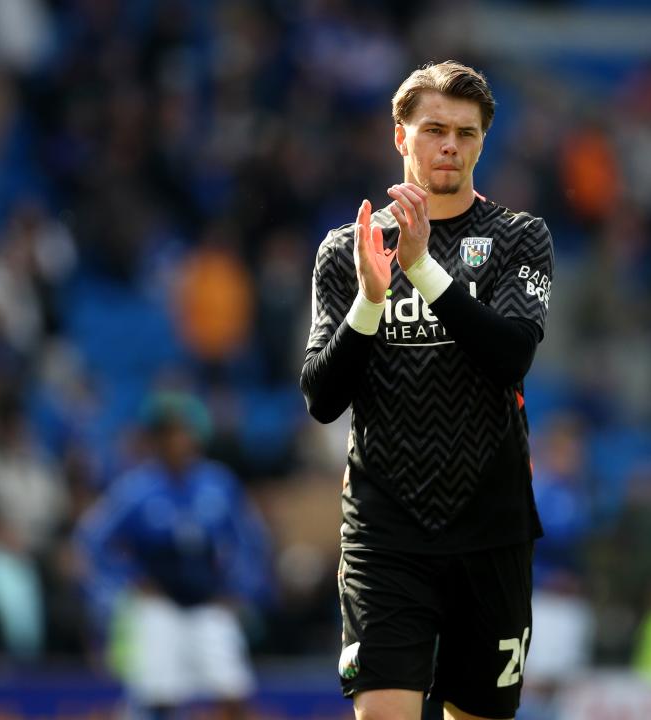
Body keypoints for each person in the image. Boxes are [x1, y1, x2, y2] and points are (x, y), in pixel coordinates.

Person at [300, 61, 554, 720]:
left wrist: (422, 269)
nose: (450, 145)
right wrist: (371, 300)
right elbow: (323, 398)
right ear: (399, 136)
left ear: (482, 142)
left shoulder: (520, 238)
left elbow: (510, 358)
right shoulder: (347, 251)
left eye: (465, 134)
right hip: (387, 530)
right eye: (434, 129)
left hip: (490, 527)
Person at [76, 391, 270, 720]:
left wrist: (240, 590)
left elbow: (249, 541)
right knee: (157, 697)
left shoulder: (217, 484)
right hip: (159, 605)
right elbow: (94, 540)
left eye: (183, 432)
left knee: (234, 692)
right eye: (168, 434)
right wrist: (127, 582)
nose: (178, 441)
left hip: (208, 602)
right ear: (155, 441)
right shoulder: (137, 489)